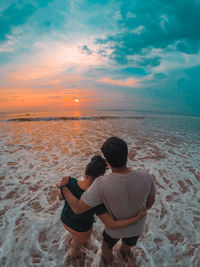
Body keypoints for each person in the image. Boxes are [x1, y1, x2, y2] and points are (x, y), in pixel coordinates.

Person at [60, 137, 156, 264]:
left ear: (107, 161)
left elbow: (78, 208)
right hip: (136, 228)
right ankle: (124, 257)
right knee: (126, 247)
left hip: (114, 230)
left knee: (107, 249)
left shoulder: (100, 184)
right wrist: (139, 214)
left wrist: (64, 188)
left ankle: (109, 263)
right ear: (126, 155)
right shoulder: (146, 175)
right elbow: (150, 201)